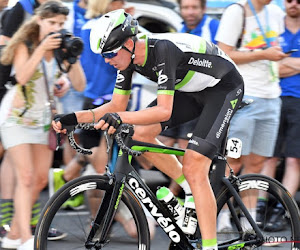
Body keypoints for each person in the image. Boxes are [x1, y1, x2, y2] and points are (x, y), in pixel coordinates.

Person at [53, 9, 244, 250]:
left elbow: (163, 111)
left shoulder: (162, 50)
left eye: (110, 53)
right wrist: (73, 118)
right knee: (139, 135)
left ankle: (209, 246)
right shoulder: (128, 58)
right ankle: (187, 191)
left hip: (223, 88)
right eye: (104, 55)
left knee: (195, 166)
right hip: (192, 90)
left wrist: (118, 117)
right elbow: (115, 106)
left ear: (129, 43)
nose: (107, 60)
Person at [0, 1, 86, 249]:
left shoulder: (61, 49)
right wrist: (41, 49)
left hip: (43, 121)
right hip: (16, 117)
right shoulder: (24, 44)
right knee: (25, 177)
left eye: (60, 24)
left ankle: (13, 234)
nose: (56, 28)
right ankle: (27, 238)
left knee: (38, 180)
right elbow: (22, 77)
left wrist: (73, 58)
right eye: (51, 23)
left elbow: (80, 85)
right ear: (39, 21)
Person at [215, 0, 288, 231]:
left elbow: (276, 50)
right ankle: (221, 215)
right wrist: (263, 54)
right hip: (245, 96)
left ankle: (248, 218)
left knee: (257, 162)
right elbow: (223, 53)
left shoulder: (276, 12)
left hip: (272, 96)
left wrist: (273, 55)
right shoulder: (237, 10)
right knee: (233, 160)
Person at [158, 0, 220, 198]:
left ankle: (180, 193)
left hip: (201, 97)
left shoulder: (212, 26)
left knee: (186, 149)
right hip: (178, 95)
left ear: (203, 8)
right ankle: (181, 187)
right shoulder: (180, 29)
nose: (190, 12)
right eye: (185, 7)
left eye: (194, 7)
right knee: (162, 142)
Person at [256, 0, 300, 231]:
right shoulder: (275, 28)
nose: (294, 4)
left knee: (294, 159)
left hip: (299, 101)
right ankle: (260, 206)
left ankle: (283, 209)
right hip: (273, 96)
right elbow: (273, 66)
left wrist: (284, 62)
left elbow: (280, 64)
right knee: (268, 156)